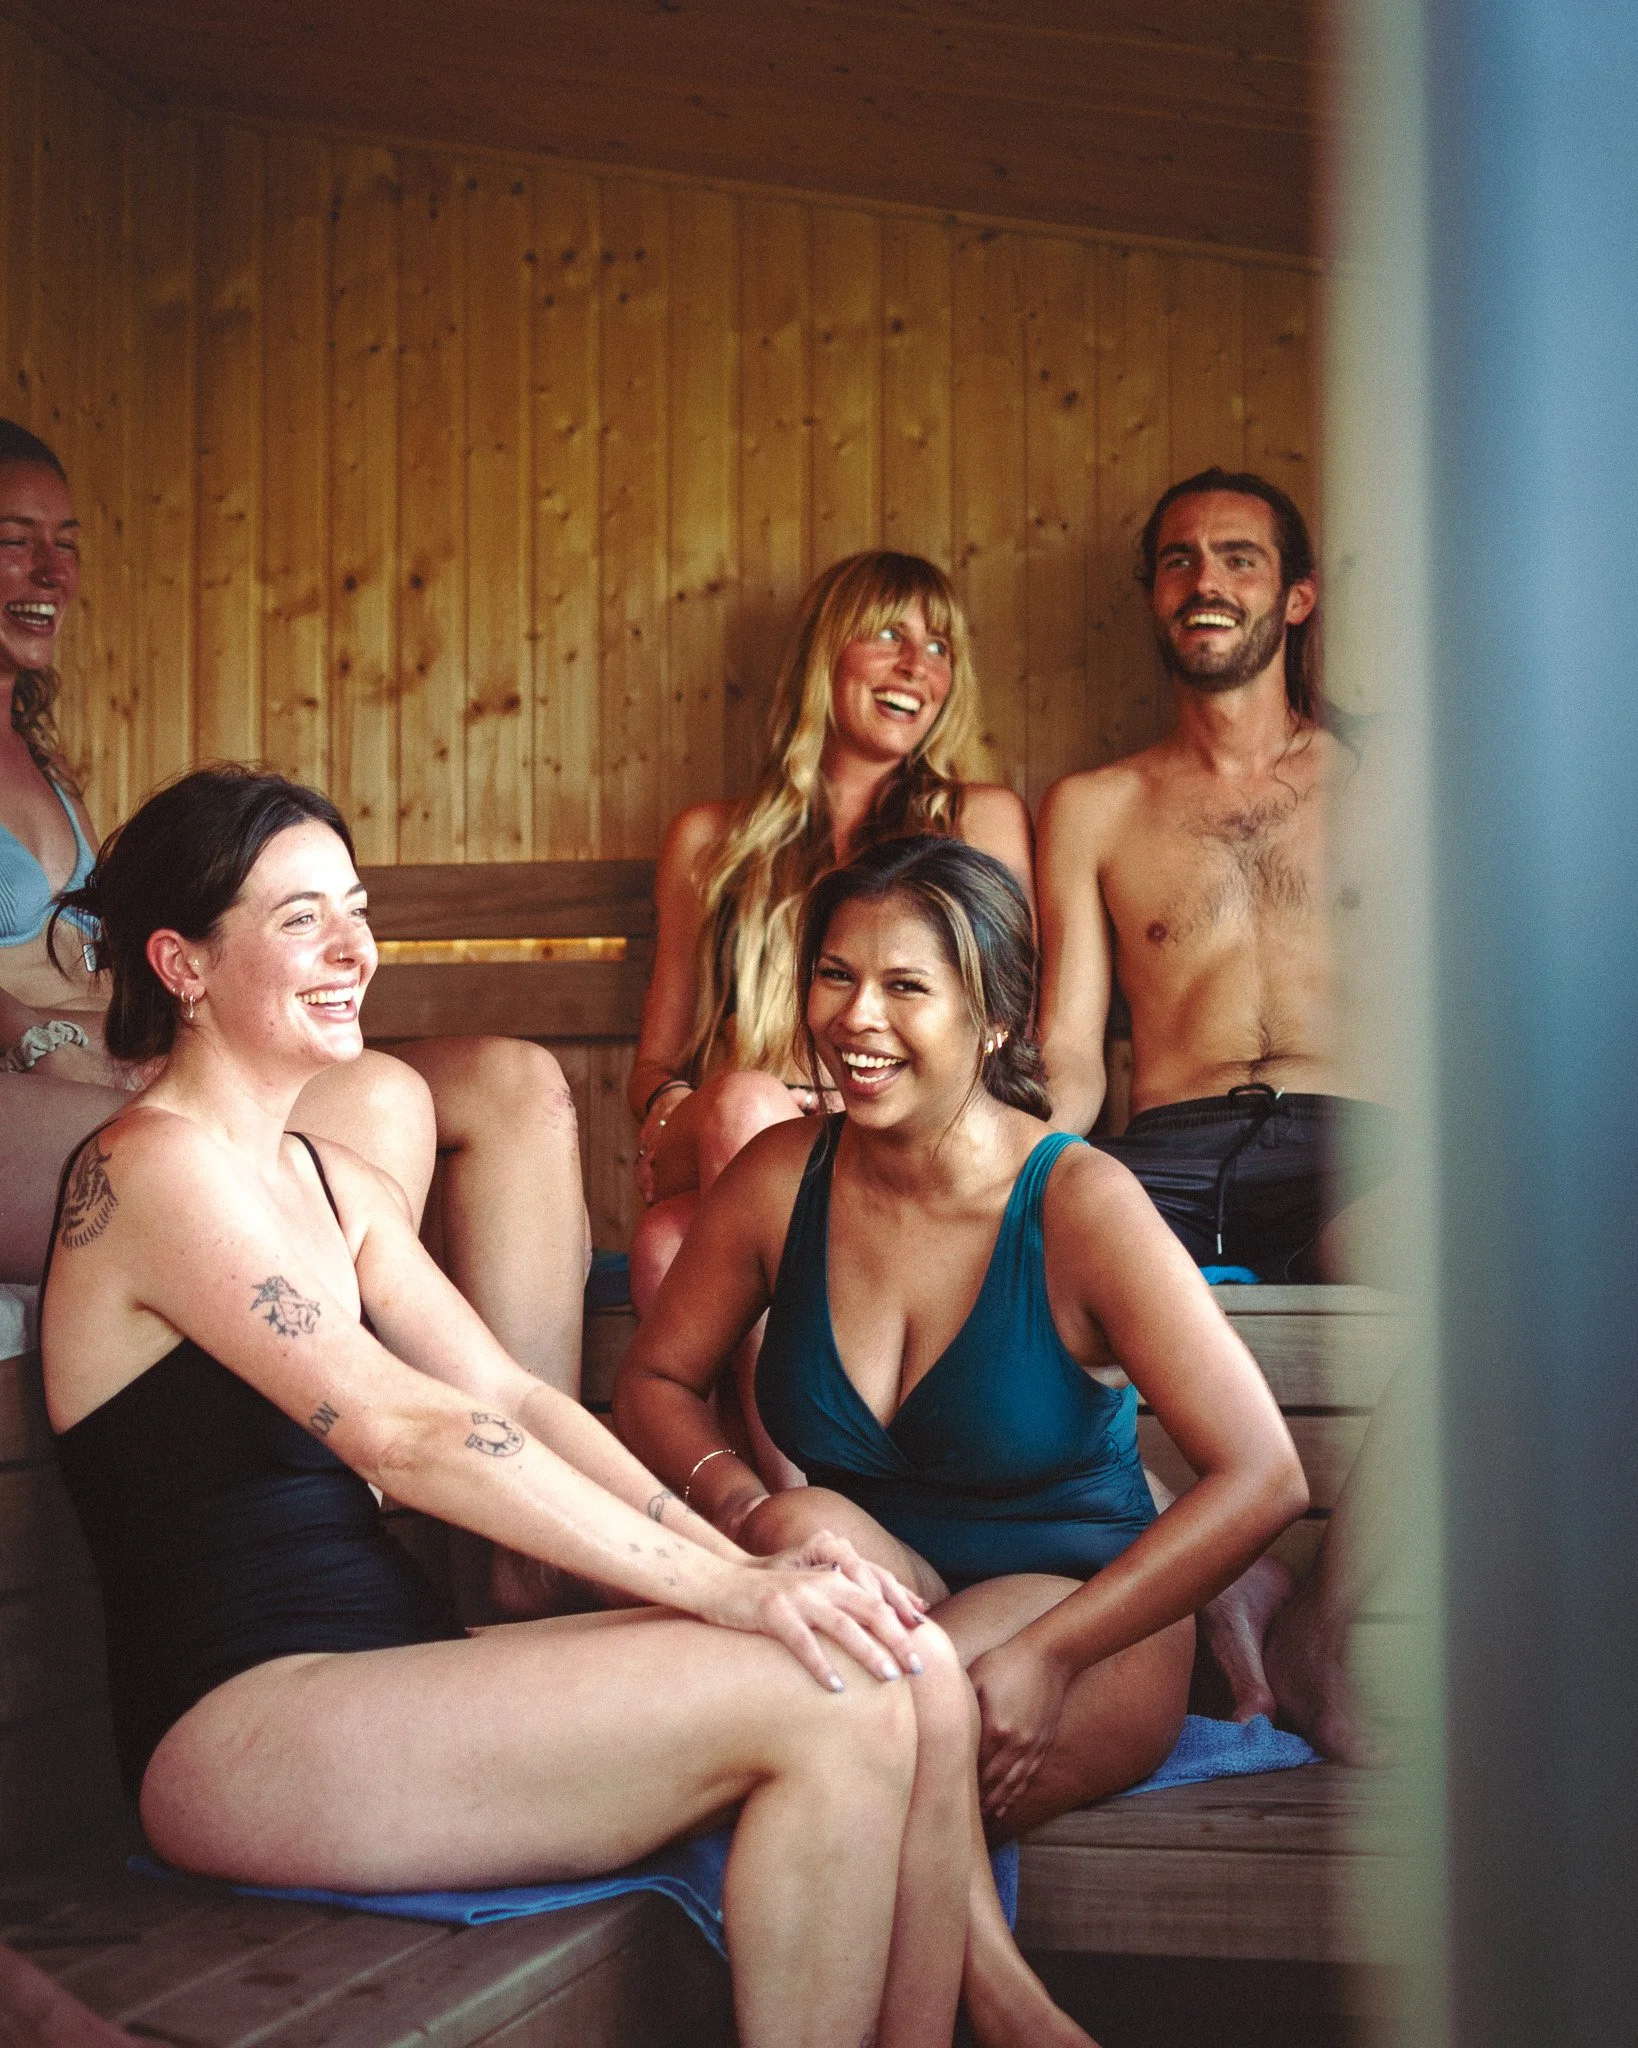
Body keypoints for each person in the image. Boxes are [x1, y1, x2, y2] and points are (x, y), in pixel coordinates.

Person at [38, 764, 1036, 2048]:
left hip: (387, 1668)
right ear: (180, 961)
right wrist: (721, 1586)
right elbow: (403, 1427)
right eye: (299, 918)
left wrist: (743, 1549)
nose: (354, 948)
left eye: (355, 906)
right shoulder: (148, 1169)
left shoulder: (327, 1181)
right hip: (240, 1720)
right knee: (830, 1698)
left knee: (885, 1667)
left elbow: (510, 1392)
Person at [616, 836, 1306, 2033]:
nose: (855, 1018)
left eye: (906, 986)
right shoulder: (785, 1177)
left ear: (994, 1020)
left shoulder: (1081, 1203)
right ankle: (1012, 2005)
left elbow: (1265, 1474)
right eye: (834, 976)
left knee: (918, 1713)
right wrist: (740, 1507)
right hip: (886, 1589)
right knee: (804, 1526)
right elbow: (660, 1378)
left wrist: (1051, 1655)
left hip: (1081, 1614)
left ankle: (1006, 2013)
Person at [0, 419, 587, 1404]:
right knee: (380, 1100)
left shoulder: (44, 763)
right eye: (14, 538)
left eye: (66, 543)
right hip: (23, 1082)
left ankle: (521, 1540)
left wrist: (149, 1022)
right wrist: (37, 1032)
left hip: (110, 1046)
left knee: (514, 1083)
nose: (51, 569)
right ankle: (330, 1455)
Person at [1034, 467, 1398, 1759]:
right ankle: (1225, 1564)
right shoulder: (1094, 808)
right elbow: (1070, 1051)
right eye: (1179, 561)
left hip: (1358, 1142)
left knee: (1505, 1271)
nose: (1205, 583)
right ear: (1151, 598)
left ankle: (1320, 1629)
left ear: (1293, 598)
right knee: (1013, 1282)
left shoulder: (1386, 786)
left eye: (1238, 559)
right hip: (1167, 1148)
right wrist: (1027, 1173)